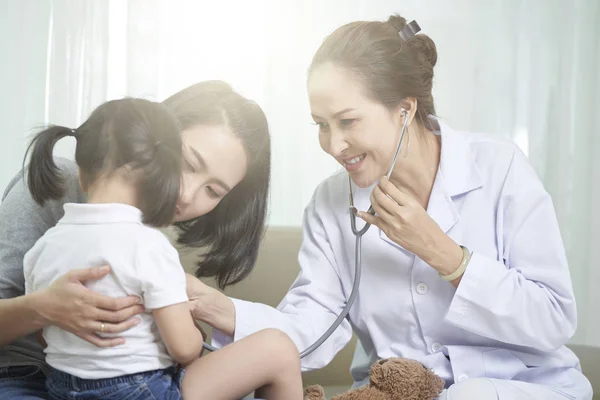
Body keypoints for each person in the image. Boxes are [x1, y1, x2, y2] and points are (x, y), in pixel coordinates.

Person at [185, 15, 594, 400]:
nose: (333, 144)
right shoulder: (331, 204)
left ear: (405, 108)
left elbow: (553, 319)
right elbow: (314, 329)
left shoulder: (499, 167)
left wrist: (444, 254)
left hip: (520, 387)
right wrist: (221, 309)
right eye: (321, 125)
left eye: (348, 121)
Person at [0, 81, 299, 399]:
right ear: (152, 137)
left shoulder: (151, 231)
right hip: (26, 376)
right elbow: (185, 348)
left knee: (272, 352)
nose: (186, 195)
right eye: (187, 163)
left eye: (212, 191)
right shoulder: (54, 184)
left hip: (86, 385)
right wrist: (43, 309)